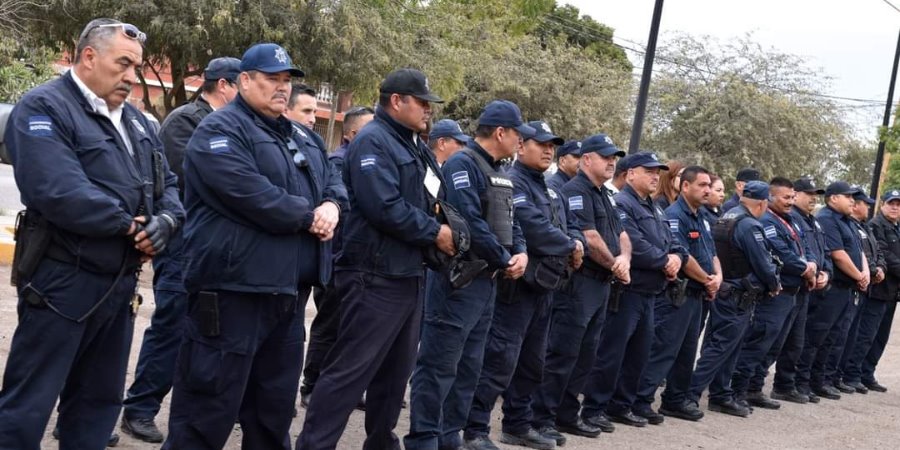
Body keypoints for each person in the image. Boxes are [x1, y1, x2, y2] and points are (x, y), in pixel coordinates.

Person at [0, 18, 183, 449]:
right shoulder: (45, 107)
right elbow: (58, 189)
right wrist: (129, 225)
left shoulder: (137, 122)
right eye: (123, 64)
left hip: (119, 286)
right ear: (88, 57)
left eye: (136, 67)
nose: (130, 76)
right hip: (61, 284)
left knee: (98, 406)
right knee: (29, 405)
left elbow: (168, 184)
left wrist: (167, 222)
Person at [163, 43, 347, 450]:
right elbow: (249, 194)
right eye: (271, 79)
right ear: (244, 81)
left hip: (287, 296)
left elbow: (333, 176)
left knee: (272, 413)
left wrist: (333, 205)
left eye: (286, 81)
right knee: (206, 412)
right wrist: (309, 216)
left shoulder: (300, 133)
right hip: (234, 294)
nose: (282, 88)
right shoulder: (219, 130)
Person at [297, 68, 454, 450]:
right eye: (422, 103)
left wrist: (446, 224)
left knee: (394, 376)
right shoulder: (374, 141)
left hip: (408, 274)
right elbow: (382, 206)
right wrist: (435, 232)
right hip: (373, 275)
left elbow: (433, 197)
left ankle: (381, 443)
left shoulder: (412, 144)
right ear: (396, 101)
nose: (427, 111)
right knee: (348, 372)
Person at [121, 56, 240, 444]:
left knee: (198, 332)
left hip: (211, 246)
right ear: (224, 85)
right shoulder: (186, 121)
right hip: (184, 243)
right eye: (244, 82)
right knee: (170, 327)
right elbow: (192, 179)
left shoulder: (231, 124)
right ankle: (139, 408)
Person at [406, 100, 530, 450]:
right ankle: (424, 439)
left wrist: (519, 252)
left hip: (486, 281)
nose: (521, 140)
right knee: (438, 366)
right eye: (518, 133)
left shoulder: (500, 172)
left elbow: (513, 221)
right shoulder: (464, 163)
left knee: (468, 368)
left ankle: (449, 437)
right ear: (501, 132)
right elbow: (469, 222)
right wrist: (506, 258)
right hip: (458, 282)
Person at [464, 120, 584, 449]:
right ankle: (474, 428)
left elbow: (570, 225)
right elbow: (531, 225)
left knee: (533, 363)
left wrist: (576, 242)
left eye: (552, 145)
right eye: (540, 143)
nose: (549, 150)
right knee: (499, 359)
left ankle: (518, 424)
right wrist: (569, 245)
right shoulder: (512, 181)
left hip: (546, 286)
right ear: (521, 146)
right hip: (517, 288)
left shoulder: (551, 187)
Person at [531, 133, 630, 441]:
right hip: (580, 284)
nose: (612, 161)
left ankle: (566, 414)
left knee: (586, 355)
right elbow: (588, 236)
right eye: (606, 156)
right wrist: (616, 263)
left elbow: (622, 233)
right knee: (563, 352)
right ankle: (541, 417)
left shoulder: (605, 194)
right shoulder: (576, 191)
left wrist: (624, 258)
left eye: (614, 157)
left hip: (601, 285)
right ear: (587, 159)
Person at [580, 151, 686, 427]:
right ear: (630, 174)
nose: (655, 176)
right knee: (612, 353)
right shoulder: (622, 203)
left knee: (638, 354)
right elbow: (634, 244)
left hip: (651, 292)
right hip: (627, 291)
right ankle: (594, 408)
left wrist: (676, 257)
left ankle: (621, 405)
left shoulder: (654, 207)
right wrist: (664, 260)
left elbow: (672, 240)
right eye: (648, 171)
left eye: (657, 172)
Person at [299, 105, 375, 408]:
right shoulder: (339, 162)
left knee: (349, 327)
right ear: (353, 134)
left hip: (356, 260)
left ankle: (339, 387)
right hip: (336, 257)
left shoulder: (363, 161)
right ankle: (312, 384)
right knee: (329, 324)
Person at [635, 165, 720, 423]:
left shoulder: (702, 216)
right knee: (664, 349)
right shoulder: (674, 215)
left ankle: (674, 400)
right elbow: (683, 256)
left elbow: (712, 252)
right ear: (685, 186)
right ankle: (640, 400)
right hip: (678, 294)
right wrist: (707, 279)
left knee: (686, 352)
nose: (707, 190)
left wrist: (718, 276)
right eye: (702, 185)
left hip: (698, 294)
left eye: (709, 185)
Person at [689, 181, 780, 418]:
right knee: (721, 348)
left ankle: (720, 395)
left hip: (727, 289)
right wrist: (773, 283)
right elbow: (762, 262)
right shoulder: (749, 225)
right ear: (762, 203)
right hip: (738, 294)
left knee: (726, 346)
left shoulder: (726, 217)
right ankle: (690, 394)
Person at [731, 177, 816, 410]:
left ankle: (754, 387)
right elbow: (782, 254)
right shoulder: (767, 221)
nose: (790, 201)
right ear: (770, 198)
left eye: (792, 197)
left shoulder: (792, 221)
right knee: (759, 342)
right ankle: (738, 390)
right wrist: (806, 269)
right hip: (776, 293)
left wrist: (813, 265)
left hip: (794, 292)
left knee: (775, 345)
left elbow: (805, 249)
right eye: (785, 197)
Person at [796, 181, 868, 401]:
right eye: (848, 197)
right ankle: (803, 381)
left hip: (846, 288)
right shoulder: (827, 219)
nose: (853, 201)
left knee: (833, 337)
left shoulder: (846, 222)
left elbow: (858, 250)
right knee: (816, 335)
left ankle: (821, 380)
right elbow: (837, 254)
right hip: (832, 288)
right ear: (834, 198)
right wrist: (859, 275)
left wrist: (863, 272)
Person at [767, 178, 830, 404]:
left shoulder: (810, 221)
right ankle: (750, 386)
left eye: (816, 194)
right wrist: (808, 270)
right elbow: (787, 255)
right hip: (787, 286)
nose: (813, 198)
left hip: (806, 286)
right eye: (807, 193)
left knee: (796, 342)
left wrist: (824, 272)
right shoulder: (784, 219)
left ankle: (786, 385)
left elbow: (819, 252)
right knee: (773, 340)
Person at [832, 190, 885, 393]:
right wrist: (868, 272)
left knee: (855, 335)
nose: (868, 207)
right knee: (841, 335)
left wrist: (879, 268)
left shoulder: (863, 227)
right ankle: (836, 376)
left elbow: (877, 252)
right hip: (850, 286)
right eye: (865, 203)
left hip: (871, 286)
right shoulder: (854, 226)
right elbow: (848, 255)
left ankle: (840, 376)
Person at [856, 189, 900, 392]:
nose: (894, 207)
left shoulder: (896, 227)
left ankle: (867, 373)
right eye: (891, 203)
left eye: (898, 204)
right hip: (877, 290)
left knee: (880, 337)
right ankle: (854, 374)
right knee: (866, 334)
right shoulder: (875, 225)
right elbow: (887, 257)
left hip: (891, 293)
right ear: (882, 204)